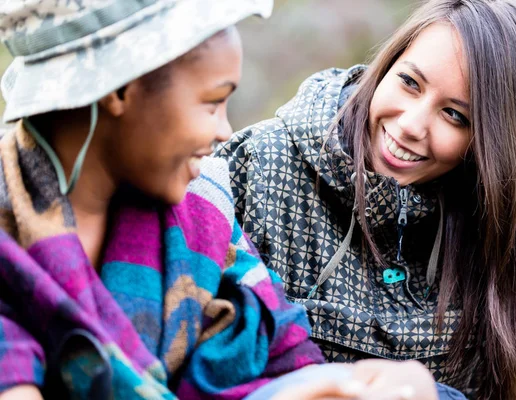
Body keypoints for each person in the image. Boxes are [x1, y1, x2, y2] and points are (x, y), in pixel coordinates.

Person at [0, 1, 453, 399]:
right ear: (121, 89)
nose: (224, 131)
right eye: (212, 103)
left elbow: (290, 361)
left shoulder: (205, 229)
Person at [214, 0, 516, 398]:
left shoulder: (489, 230)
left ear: (492, 145)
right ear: (388, 65)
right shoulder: (257, 164)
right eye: (410, 82)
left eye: (454, 116)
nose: (410, 124)